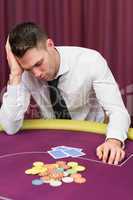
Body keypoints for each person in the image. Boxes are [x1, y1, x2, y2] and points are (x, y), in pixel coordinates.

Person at [0, 22, 130, 165]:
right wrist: (15, 74)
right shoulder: (23, 73)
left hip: (93, 136)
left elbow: (118, 111)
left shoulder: (91, 61)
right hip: (51, 137)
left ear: (50, 44)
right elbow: (10, 127)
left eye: (38, 64)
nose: (36, 74)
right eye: (29, 68)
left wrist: (113, 140)